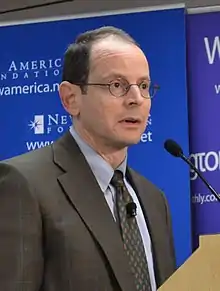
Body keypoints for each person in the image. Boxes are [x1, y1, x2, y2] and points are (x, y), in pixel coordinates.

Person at [0, 26, 176, 291]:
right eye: (117, 85)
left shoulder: (153, 200)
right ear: (71, 98)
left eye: (144, 86)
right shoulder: (24, 184)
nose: (137, 99)